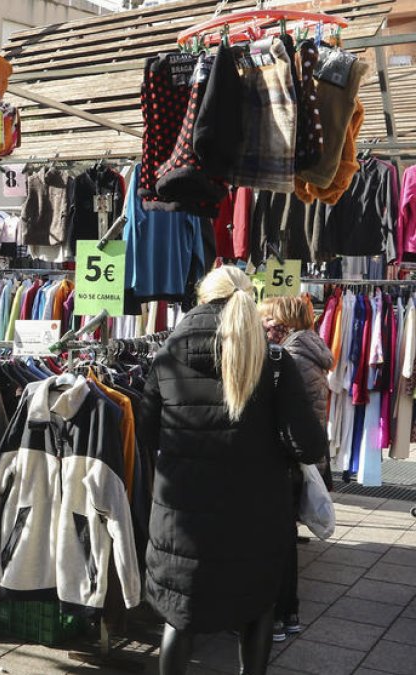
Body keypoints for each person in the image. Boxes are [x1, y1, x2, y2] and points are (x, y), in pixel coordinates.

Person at [138, 266, 327, 675]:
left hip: (182, 517)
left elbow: (147, 432)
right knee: (255, 610)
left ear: (204, 299)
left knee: (180, 616)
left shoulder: (166, 356)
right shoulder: (276, 362)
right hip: (256, 516)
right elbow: (308, 446)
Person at [260, 295, 334, 643]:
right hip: (298, 456)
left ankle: (275, 616)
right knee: (284, 539)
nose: (265, 327)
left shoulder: (288, 356)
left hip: (284, 459)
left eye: (269, 320)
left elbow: (285, 413)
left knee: (275, 541)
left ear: (283, 323)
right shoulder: (309, 349)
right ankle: (287, 614)